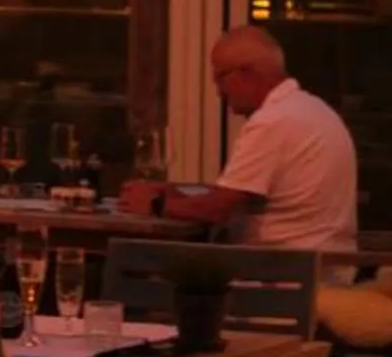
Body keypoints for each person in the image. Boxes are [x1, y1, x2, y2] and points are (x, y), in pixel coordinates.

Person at [120, 24, 357, 264]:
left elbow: (217, 210)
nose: (218, 92)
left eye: (220, 78)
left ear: (247, 73)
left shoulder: (273, 120)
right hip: (323, 266)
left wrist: (154, 205)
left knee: (138, 265)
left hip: (285, 272)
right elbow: (240, 199)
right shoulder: (314, 110)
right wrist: (178, 197)